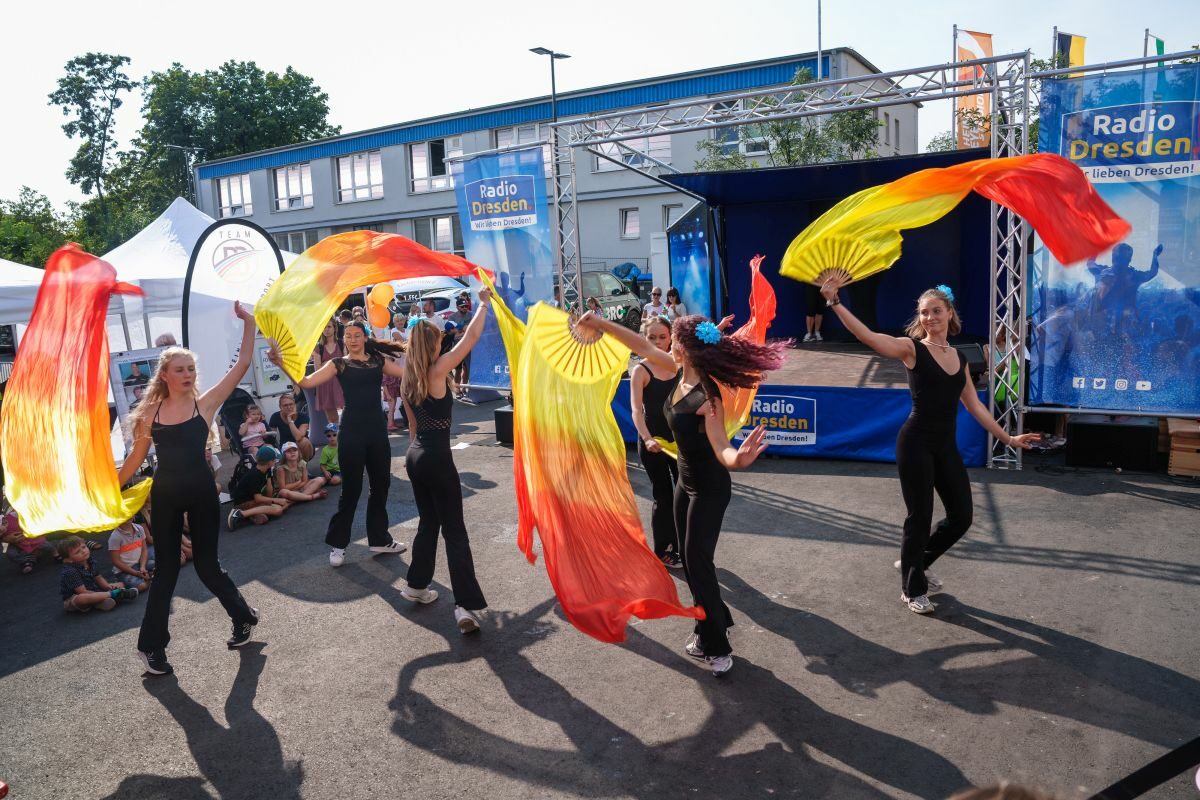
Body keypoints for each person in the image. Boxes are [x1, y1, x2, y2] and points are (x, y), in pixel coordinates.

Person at [576, 311, 780, 677]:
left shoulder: (708, 397)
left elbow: (722, 448)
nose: (664, 346)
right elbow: (637, 344)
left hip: (710, 489)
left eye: (674, 341)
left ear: (686, 348)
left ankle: (716, 646)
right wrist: (599, 322)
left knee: (698, 564)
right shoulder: (673, 367)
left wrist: (739, 459)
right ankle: (719, 616)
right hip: (685, 483)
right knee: (691, 563)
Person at [820, 279, 1039, 614]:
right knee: (919, 517)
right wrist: (835, 302)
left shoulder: (960, 357)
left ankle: (916, 562)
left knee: (962, 516)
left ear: (950, 313)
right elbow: (869, 337)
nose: (930, 317)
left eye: (936, 311)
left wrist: (1007, 438)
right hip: (915, 443)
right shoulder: (912, 349)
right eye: (924, 312)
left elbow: (975, 406)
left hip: (945, 446)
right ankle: (912, 589)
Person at [117, 302, 262, 676]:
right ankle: (151, 649)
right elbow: (135, 458)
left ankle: (243, 617)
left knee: (207, 565)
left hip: (201, 490)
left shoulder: (206, 403)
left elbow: (243, 363)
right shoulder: (149, 412)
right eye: (179, 369)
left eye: (191, 368)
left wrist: (249, 322)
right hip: (165, 492)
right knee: (166, 571)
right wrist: (114, 485)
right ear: (164, 374)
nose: (187, 374)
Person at [399, 287, 493, 633]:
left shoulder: (408, 377)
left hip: (415, 455)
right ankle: (465, 606)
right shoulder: (437, 370)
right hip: (436, 457)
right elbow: (471, 338)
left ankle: (416, 584)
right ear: (433, 345)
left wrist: (419, 456)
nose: (443, 345)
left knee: (429, 523)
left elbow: (411, 425)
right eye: (439, 341)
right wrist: (483, 304)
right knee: (455, 532)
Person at [279, 321, 408, 568]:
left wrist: (431, 364)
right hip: (351, 432)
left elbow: (405, 373)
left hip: (377, 431)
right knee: (351, 489)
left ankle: (380, 538)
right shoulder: (338, 363)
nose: (352, 339)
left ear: (364, 337)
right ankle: (338, 546)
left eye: (357, 335)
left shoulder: (377, 360)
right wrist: (282, 363)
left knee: (381, 485)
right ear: (343, 339)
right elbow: (307, 382)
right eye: (348, 336)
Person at [629, 316, 681, 568]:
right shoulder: (641, 370)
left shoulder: (679, 364)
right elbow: (636, 411)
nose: (658, 342)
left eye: (662, 337)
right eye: (652, 337)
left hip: (680, 442)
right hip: (653, 443)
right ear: (644, 338)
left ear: (671, 337)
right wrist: (647, 439)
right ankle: (665, 549)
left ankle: (685, 545)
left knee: (686, 495)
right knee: (664, 495)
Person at [58, 537, 139, 613]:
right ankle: (112, 595)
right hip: (75, 598)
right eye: (77, 552)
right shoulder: (70, 571)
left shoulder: (91, 562)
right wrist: (108, 592)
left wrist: (108, 587)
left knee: (120, 584)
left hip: (94, 590)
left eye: (83, 547)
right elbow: (82, 591)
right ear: (68, 560)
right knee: (82, 598)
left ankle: (101, 601)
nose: (83, 551)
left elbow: (98, 577)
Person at [228, 446, 290, 529]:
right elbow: (258, 499)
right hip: (243, 503)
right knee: (278, 510)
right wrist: (276, 500)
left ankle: (252, 515)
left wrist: (269, 476)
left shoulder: (266, 469)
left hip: (253, 501)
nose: (276, 462)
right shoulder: (255, 474)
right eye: (274, 460)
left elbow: (269, 492)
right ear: (269, 462)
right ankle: (240, 514)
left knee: (264, 517)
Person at [311, 321, 346, 424]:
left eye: (329, 327)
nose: (326, 329)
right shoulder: (318, 347)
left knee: (349, 413)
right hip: (325, 383)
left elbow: (346, 364)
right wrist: (334, 362)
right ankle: (336, 439)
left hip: (341, 382)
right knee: (332, 419)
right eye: (324, 327)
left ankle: (349, 437)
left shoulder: (341, 343)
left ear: (334, 328)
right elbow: (317, 369)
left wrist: (326, 363)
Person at [108, 518, 154, 593]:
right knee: (141, 586)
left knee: (159, 564)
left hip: (139, 565)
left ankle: (145, 577)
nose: (128, 516)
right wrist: (135, 573)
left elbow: (144, 550)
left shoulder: (139, 528)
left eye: (130, 512)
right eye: (124, 515)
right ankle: (125, 585)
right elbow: (116, 561)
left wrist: (142, 567)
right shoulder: (115, 537)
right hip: (124, 571)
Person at [2, 509, 53, 575]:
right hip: (15, 542)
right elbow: (4, 546)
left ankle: (31, 557)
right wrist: (5, 539)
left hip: (33, 537)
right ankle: (27, 561)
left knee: (46, 545)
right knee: (11, 553)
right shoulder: (6, 518)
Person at [268, 394, 313, 461]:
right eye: (285, 405)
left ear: (295, 405)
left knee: (303, 441)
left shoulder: (303, 416)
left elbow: (298, 437)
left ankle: (303, 466)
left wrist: (290, 420)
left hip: (303, 447)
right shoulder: (275, 416)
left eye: (291, 404)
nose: (289, 407)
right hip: (285, 446)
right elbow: (271, 436)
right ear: (280, 407)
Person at [448, 293, 473, 398]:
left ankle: (464, 388)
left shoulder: (471, 314)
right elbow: (453, 332)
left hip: (468, 344)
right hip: (457, 345)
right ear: (457, 307)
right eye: (462, 306)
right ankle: (457, 391)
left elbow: (472, 329)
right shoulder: (452, 317)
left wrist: (462, 330)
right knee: (458, 370)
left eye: (466, 306)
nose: (465, 308)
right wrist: (462, 330)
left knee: (467, 368)